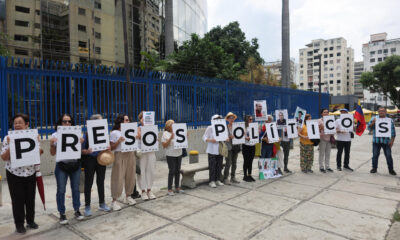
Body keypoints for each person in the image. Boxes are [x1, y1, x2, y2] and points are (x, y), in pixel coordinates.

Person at [1, 113, 43, 234]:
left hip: (30, 172)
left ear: (27, 124)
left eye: (20, 122)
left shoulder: (33, 136)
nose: (17, 125)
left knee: (30, 198)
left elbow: (39, 153)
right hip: (14, 173)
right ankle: (19, 224)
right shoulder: (7, 138)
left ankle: (30, 221)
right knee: (17, 200)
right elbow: (4, 158)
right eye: (15, 123)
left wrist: (37, 144)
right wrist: (10, 145)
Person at [50, 114, 85, 224]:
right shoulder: (55, 135)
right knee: (61, 190)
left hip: (75, 165)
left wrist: (81, 143)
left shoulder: (77, 134)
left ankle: (77, 210)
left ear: (72, 122)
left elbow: (79, 151)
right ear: (60, 123)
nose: (67, 123)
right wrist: (52, 144)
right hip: (62, 166)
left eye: (69, 121)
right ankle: (62, 213)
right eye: (64, 121)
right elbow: (52, 153)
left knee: (75, 189)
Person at [81, 114, 111, 216]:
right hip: (90, 160)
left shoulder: (103, 133)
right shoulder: (86, 135)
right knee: (88, 183)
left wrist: (108, 148)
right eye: (100, 121)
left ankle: (102, 203)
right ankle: (87, 206)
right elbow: (81, 151)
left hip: (101, 158)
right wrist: (87, 151)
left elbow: (107, 146)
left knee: (101, 182)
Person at [109, 114, 137, 211]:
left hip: (130, 154)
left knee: (131, 176)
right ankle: (114, 200)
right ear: (121, 121)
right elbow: (111, 147)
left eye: (128, 120)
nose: (128, 122)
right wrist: (118, 141)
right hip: (120, 154)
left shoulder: (131, 130)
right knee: (118, 177)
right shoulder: (115, 133)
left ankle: (128, 195)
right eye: (126, 120)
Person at [368, 107, 396, 175]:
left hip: (386, 141)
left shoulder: (389, 120)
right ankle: (374, 168)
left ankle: (391, 169)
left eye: (383, 111)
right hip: (376, 141)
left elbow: (393, 132)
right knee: (375, 155)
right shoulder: (374, 118)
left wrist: (392, 141)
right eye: (380, 111)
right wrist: (373, 122)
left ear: (385, 112)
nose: (381, 112)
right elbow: (369, 128)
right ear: (378, 112)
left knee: (388, 155)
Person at [136, 111, 157, 200]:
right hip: (142, 153)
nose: (144, 120)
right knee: (142, 172)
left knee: (151, 170)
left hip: (151, 151)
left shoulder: (153, 128)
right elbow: (141, 136)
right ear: (140, 120)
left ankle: (149, 189)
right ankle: (143, 191)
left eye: (146, 118)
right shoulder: (138, 128)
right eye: (142, 118)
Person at [162, 120, 184, 196]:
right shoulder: (165, 134)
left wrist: (185, 137)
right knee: (172, 171)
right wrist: (170, 138)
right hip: (170, 154)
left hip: (179, 153)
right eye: (172, 124)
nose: (174, 125)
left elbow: (182, 142)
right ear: (168, 126)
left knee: (178, 170)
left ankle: (177, 187)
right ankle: (169, 188)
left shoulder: (178, 132)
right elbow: (164, 145)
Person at [203, 114, 225, 188]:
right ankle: (211, 181)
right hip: (212, 149)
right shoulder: (210, 128)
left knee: (219, 165)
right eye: (216, 119)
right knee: (212, 166)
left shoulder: (222, 127)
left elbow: (223, 137)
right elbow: (204, 137)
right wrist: (211, 140)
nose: (218, 120)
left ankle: (217, 179)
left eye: (219, 119)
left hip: (220, 149)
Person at [223, 112, 241, 184]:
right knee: (228, 162)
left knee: (234, 163)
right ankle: (225, 178)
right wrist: (229, 137)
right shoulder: (225, 128)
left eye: (232, 117)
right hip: (228, 147)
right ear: (227, 119)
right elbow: (222, 137)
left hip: (235, 146)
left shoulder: (237, 127)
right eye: (230, 118)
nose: (231, 119)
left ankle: (233, 177)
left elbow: (239, 135)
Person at [318, 109, 334, 173]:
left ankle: (327, 166)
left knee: (328, 154)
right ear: (322, 113)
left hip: (329, 138)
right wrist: (321, 127)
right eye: (324, 112)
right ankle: (321, 167)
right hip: (322, 138)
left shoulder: (331, 120)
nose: (326, 113)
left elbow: (333, 128)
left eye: (327, 112)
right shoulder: (319, 120)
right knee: (321, 153)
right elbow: (317, 129)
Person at [242, 115, 256, 182]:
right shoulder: (244, 128)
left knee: (251, 161)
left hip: (252, 145)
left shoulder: (253, 127)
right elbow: (240, 135)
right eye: (250, 119)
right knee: (246, 161)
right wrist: (245, 137)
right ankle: (245, 175)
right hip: (246, 146)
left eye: (252, 119)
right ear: (247, 120)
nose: (251, 120)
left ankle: (249, 174)